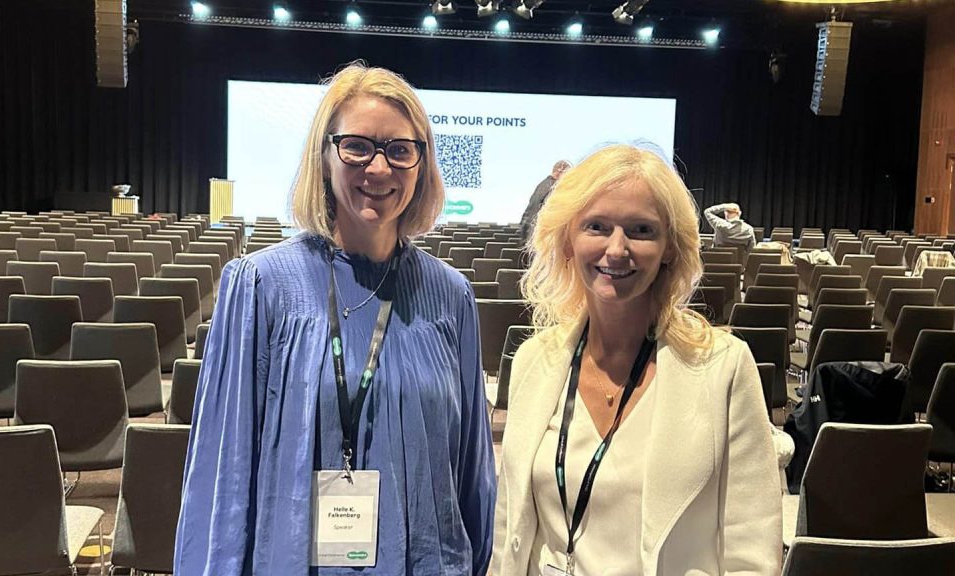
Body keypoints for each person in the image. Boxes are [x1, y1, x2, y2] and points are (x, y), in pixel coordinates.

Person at [175, 62, 496, 575]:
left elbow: (473, 471)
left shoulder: (450, 296)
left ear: (421, 164)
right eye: (357, 146)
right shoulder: (260, 287)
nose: (379, 168)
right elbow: (223, 474)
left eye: (400, 150)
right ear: (325, 156)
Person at [493, 145, 781, 576]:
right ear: (569, 238)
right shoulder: (536, 359)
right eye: (596, 226)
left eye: (641, 230)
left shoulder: (723, 367)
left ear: (669, 247)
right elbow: (510, 528)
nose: (616, 249)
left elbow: (752, 552)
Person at [520, 160, 572, 243]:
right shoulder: (554, 188)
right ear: (561, 170)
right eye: (568, 174)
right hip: (540, 237)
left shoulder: (542, 185)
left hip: (529, 234)